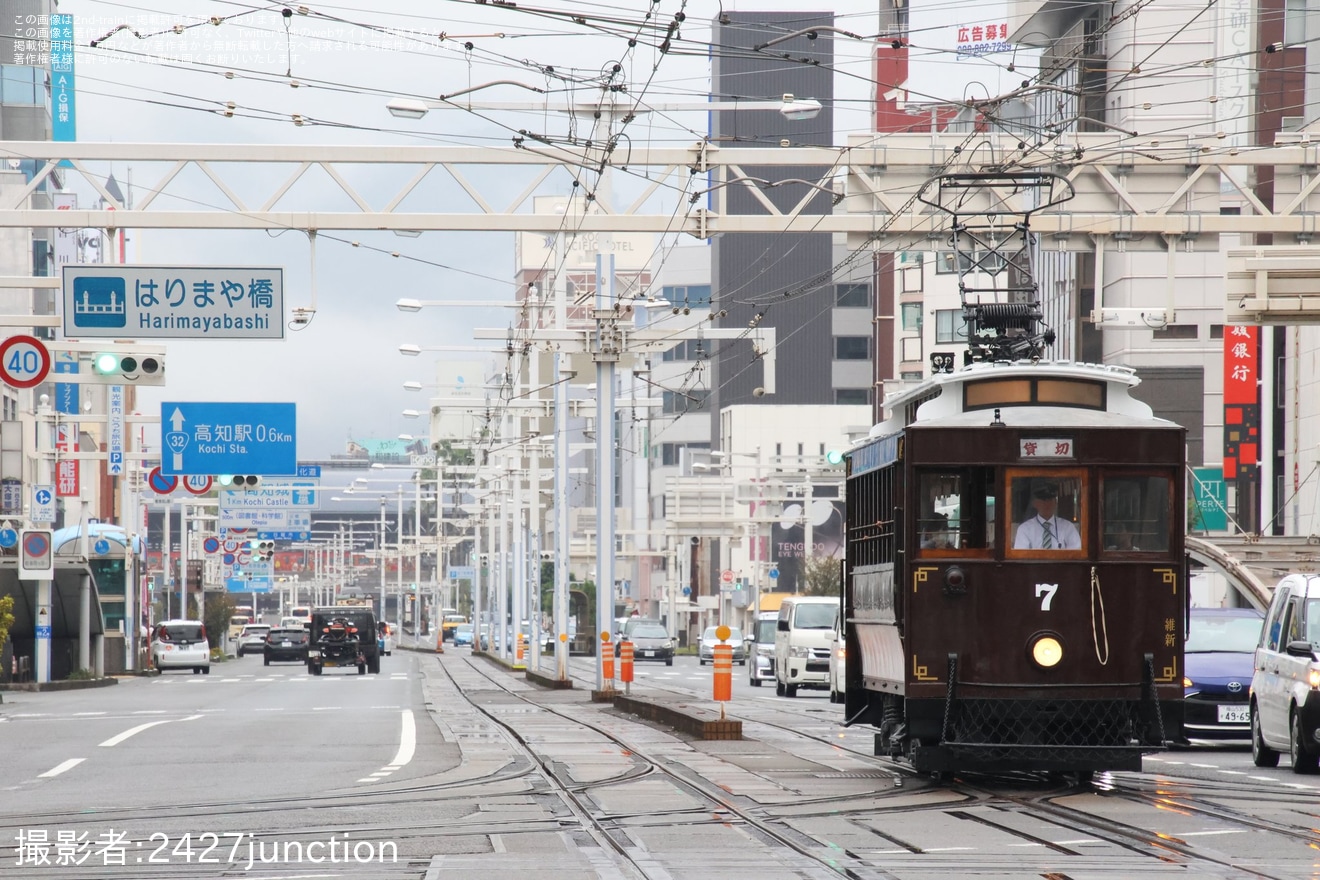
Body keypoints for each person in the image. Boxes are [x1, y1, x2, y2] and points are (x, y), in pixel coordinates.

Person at [1014, 482, 1081, 550]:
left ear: (1055, 503)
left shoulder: (1068, 527)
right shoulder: (1025, 529)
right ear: (1035, 503)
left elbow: (1076, 553)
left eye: (1050, 500)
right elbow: (1021, 556)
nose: (1047, 504)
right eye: (1043, 500)